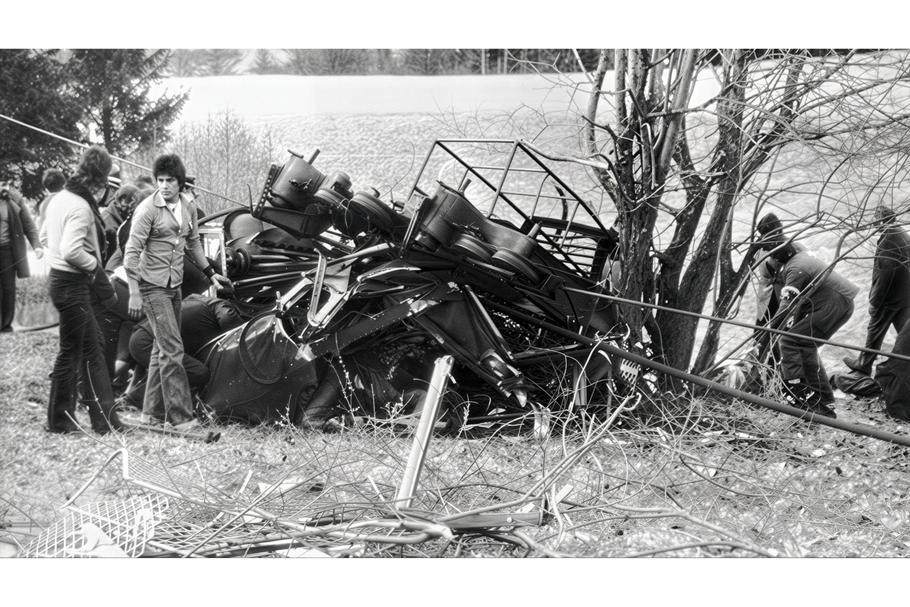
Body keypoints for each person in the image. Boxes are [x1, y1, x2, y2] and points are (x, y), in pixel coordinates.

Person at [123, 153, 230, 430]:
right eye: (160, 180)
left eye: (170, 180)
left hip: (173, 285)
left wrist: (211, 274)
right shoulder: (147, 210)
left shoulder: (187, 207)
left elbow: (193, 243)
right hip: (151, 287)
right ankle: (181, 417)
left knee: (161, 349)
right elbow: (130, 255)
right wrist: (135, 291)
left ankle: (151, 413)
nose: (164, 185)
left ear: (180, 182)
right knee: (172, 348)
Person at [40, 145, 122, 434]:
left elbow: (47, 239)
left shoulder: (61, 198)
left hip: (60, 281)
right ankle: (98, 422)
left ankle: (69, 421)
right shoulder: (80, 206)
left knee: (79, 349)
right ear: (98, 182)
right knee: (86, 351)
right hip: (72, 284)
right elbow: (71, 249)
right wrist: (95, 268)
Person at [767, 240, 859, 417]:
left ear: (778, 260)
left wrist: (769, 330)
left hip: (833, 304)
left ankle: (797, 386)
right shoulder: (800, 256)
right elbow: (798, 304)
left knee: (788, 340)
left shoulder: (794, 270)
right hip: (837, 303)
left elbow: (786, 306)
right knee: (805, 344)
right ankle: (823, 399)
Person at [122, 293, 245, 410]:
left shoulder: (198, 299)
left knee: (183, 368)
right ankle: (137, 400)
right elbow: (228, 320)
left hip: (142, 336)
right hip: (148, 342)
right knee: (199, 373)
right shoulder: (223, 306)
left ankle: (134, 398)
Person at [842, 205, 910, 376]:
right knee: (904, 333)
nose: (873, 222)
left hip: (890, 298)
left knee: (875, 329)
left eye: (875, 217)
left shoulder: (889, 240)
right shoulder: (901, 234)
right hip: (904, 296)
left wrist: (875, 301)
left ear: (882, 219)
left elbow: (884, 276)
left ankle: (863, 365)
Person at [0, 182, 44, 332]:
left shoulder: (13, 199)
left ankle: (5, 326)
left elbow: (28, 224)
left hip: (7, 250)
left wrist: (37, 245)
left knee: (8, 288)